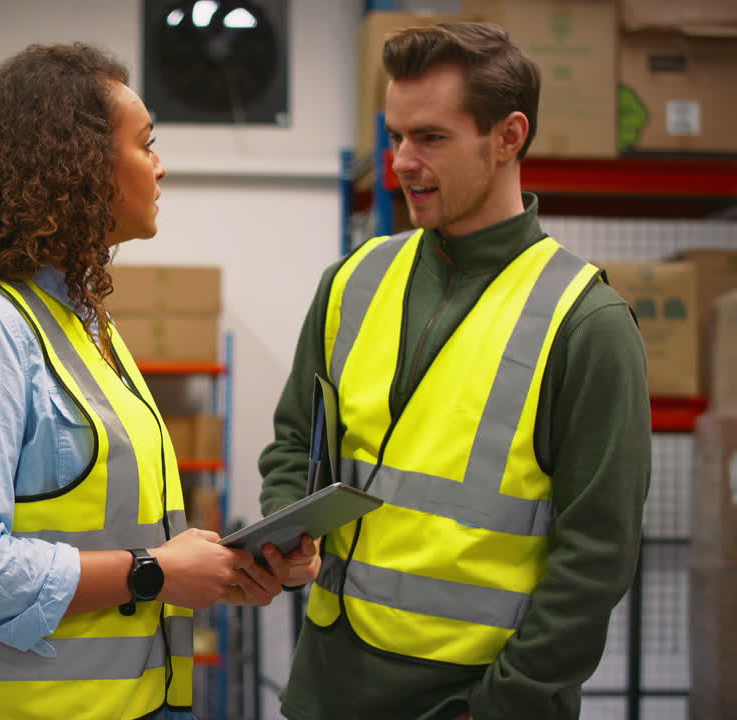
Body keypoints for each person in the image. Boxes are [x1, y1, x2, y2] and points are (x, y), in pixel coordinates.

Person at [258, 22, 651, 720]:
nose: (402, 162)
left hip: (471, 699)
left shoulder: (584, 323)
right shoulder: (352, 283)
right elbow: (295, 439)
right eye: (395, 136)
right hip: (328, 687)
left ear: (509, 137)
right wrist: (285, 530)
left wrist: (502, 705)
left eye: (430, 138)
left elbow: (597, 557)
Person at [0, 43, 289, 720]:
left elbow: (110, 537)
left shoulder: (84, 326)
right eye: (146, 144)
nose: (160, 166)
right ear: (74, 169)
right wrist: (154, 572)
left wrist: (217, 572)